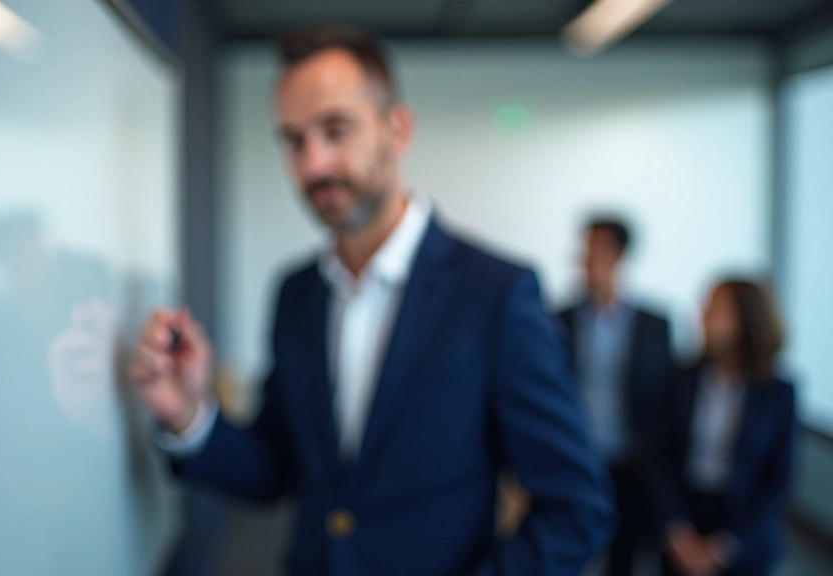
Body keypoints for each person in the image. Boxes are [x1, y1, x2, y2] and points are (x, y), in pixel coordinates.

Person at [130, 24, 613, 576]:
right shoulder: (297, 294)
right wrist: (187, 414)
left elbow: (577, 509)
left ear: (397, 129)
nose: (313, 165)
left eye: (336, 130)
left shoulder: (495, 294)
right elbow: (277, 468)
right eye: (294, 140)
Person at [651, 280, 796, 576]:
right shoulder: (680, 377)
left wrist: (725, 546)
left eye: (717, 310)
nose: (703, 316)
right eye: (706, 307)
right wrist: (676, 528)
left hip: (743, 530)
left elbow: (778, 479)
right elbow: (658, 455)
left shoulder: (778, 393)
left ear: (747, 320)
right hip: (685, 514)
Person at [559, 218, 672, 576]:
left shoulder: (655, 324)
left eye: (596, 250)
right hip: (577, 455)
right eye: (585, 251)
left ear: (620, 256)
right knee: (569, 549)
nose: (587, 260)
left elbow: (664, 400)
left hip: (632, 461)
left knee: (625, 554)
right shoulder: (561, 318)